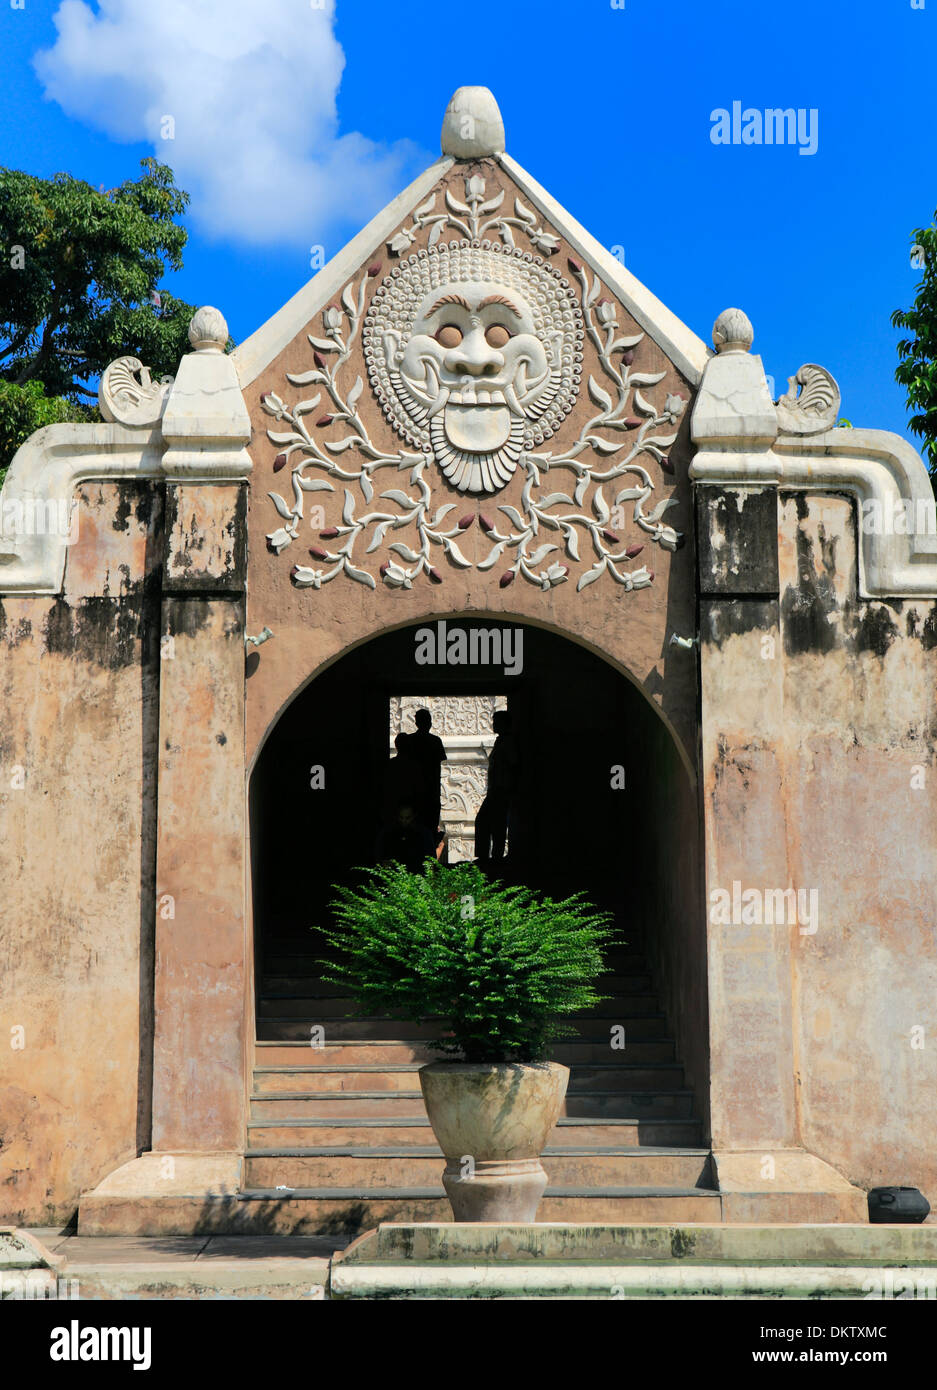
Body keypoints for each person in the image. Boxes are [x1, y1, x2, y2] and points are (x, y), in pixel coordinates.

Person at [475, 709, 519, 862]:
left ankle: (494, 857)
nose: (493, 725)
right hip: (497, 790)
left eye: (496, 721)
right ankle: (491, 856)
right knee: (489, 822)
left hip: (501, 790)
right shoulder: (501, 741)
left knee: (493, 823)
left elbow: (514, 765)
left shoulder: (507, 742)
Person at [407, 708, 446, 834]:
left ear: (416, 723)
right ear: (430, 723)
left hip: (413, 793)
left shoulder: (410, 741)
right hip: (431, 793)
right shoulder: (435, 741)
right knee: (429, 832)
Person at [376, 803, 436, 873]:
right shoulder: (388, 832)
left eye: (407, 818)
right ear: (397, 816)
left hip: (417, 874)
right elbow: (380, 854)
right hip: (394, 874)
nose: (404, 821)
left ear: (414, 816)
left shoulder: (423, 833)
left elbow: (431, 857)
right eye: (401, 817)